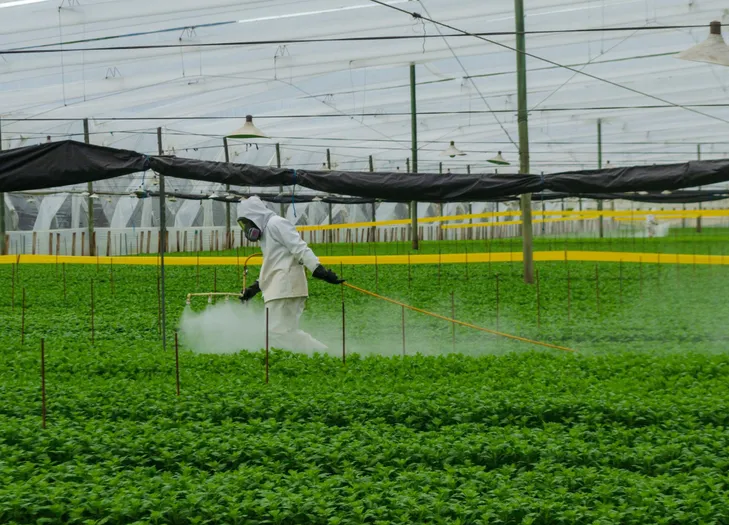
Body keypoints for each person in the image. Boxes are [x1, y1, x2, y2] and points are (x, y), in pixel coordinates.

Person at [237, 196, 344, 351]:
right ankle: (322, 354)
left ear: (256, 216)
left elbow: (299, 247)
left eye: (247, 223)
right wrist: (254, 288)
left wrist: (318, 269)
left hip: (285, 287)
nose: (247, 228)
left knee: (276, 332)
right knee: (282, 333)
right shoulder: (266, 233)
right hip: (279, 288)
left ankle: (321, 354)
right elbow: (273, 263)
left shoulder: (276, 223)